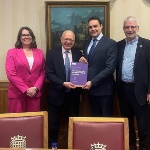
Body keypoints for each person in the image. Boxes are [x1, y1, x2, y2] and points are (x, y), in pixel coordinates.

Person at [116, 16, 150, 150]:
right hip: (123, 90)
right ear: (123, 29)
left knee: (143, 126)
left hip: (141, 92)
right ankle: (129, 147)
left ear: (137, 28)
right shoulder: (119, 45)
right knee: (127, 124)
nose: (130, 30)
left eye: (132, 27)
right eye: (127, 27)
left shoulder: (147, 45)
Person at [46, 30, 82, 148]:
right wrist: (63, 83)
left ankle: (72, 146)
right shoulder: (52, 54)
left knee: (73, 124)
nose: (68, 42)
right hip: (56, 95)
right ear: (61, 39)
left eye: (71, 40)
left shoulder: (78, 54)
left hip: (73, 97)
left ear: (74, 41)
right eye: (66, 39)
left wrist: (84, 64)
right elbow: (49, 74)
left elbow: (81, 73)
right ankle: (53, 146)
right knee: (53, 124)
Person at [79, 16, 118, 117]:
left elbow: (110, 68)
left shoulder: (111, 43)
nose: (93, 29)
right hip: (90, 90)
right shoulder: (86, 43)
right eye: (90, 27)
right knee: (95, 120)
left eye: (95, 26)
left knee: (106, 120)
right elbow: (91, 63)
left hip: (105, 90)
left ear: (101, 26)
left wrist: (92, 82)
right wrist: (82, 62)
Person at [5, 26, 45, 113]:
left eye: (28, 35)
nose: (26, 37)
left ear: (32, 37)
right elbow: (10, 74)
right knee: (16, 122)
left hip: (34, 94)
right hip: (17, 94)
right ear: (20, 37)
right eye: (23, 35)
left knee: (33, 122)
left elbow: (43, 72)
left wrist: (35, 88)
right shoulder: (12, 52)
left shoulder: (39, 52)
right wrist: (26, 89)